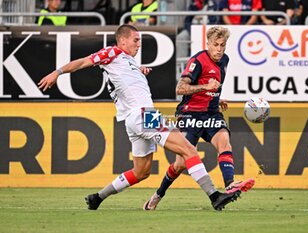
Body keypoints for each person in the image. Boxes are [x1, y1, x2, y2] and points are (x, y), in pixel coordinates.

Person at [37, 24, 241, 211]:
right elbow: (84, 62)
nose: (139, 44)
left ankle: (97, 198)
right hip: (145, 115)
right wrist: (58, 72)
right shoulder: (112, 52)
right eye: (135, 40)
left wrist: (139, 70)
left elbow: (120, 79)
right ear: (122, 40)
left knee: (141, 172)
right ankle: (214, 195)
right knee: (188, 149)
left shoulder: (126, 61)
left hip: (133, 120)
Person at [143, 26, 255, 211]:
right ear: (208, 44)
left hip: (211, 113)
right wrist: (205, 87)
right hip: (190, 114)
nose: (219, 49)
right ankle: (157, 195)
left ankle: (229, 184)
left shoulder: (225, 60)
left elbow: (213, 88)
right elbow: (180, 88)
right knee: (179, 165)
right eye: (215, 45)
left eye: (222, 45)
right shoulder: (198, 61)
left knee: (225, 143)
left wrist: (216, 98)